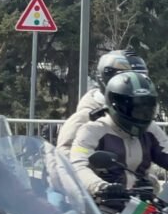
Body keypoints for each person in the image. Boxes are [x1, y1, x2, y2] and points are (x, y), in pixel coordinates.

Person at [70, 71, 168, 199]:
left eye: (147, 108)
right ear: (116, 105)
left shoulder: (151, 129)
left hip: (142, 205)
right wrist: (100, 186)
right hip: (101, 203)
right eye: (136, 109)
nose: (142, 114)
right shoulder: (92, 131)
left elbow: (165, 150)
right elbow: (78, 165)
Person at [57, 49, 148, 159]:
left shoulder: (139, 119)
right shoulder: (85, 118)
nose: (137, 87)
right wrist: (92, 164)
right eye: (129, 81)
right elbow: (64, 153)